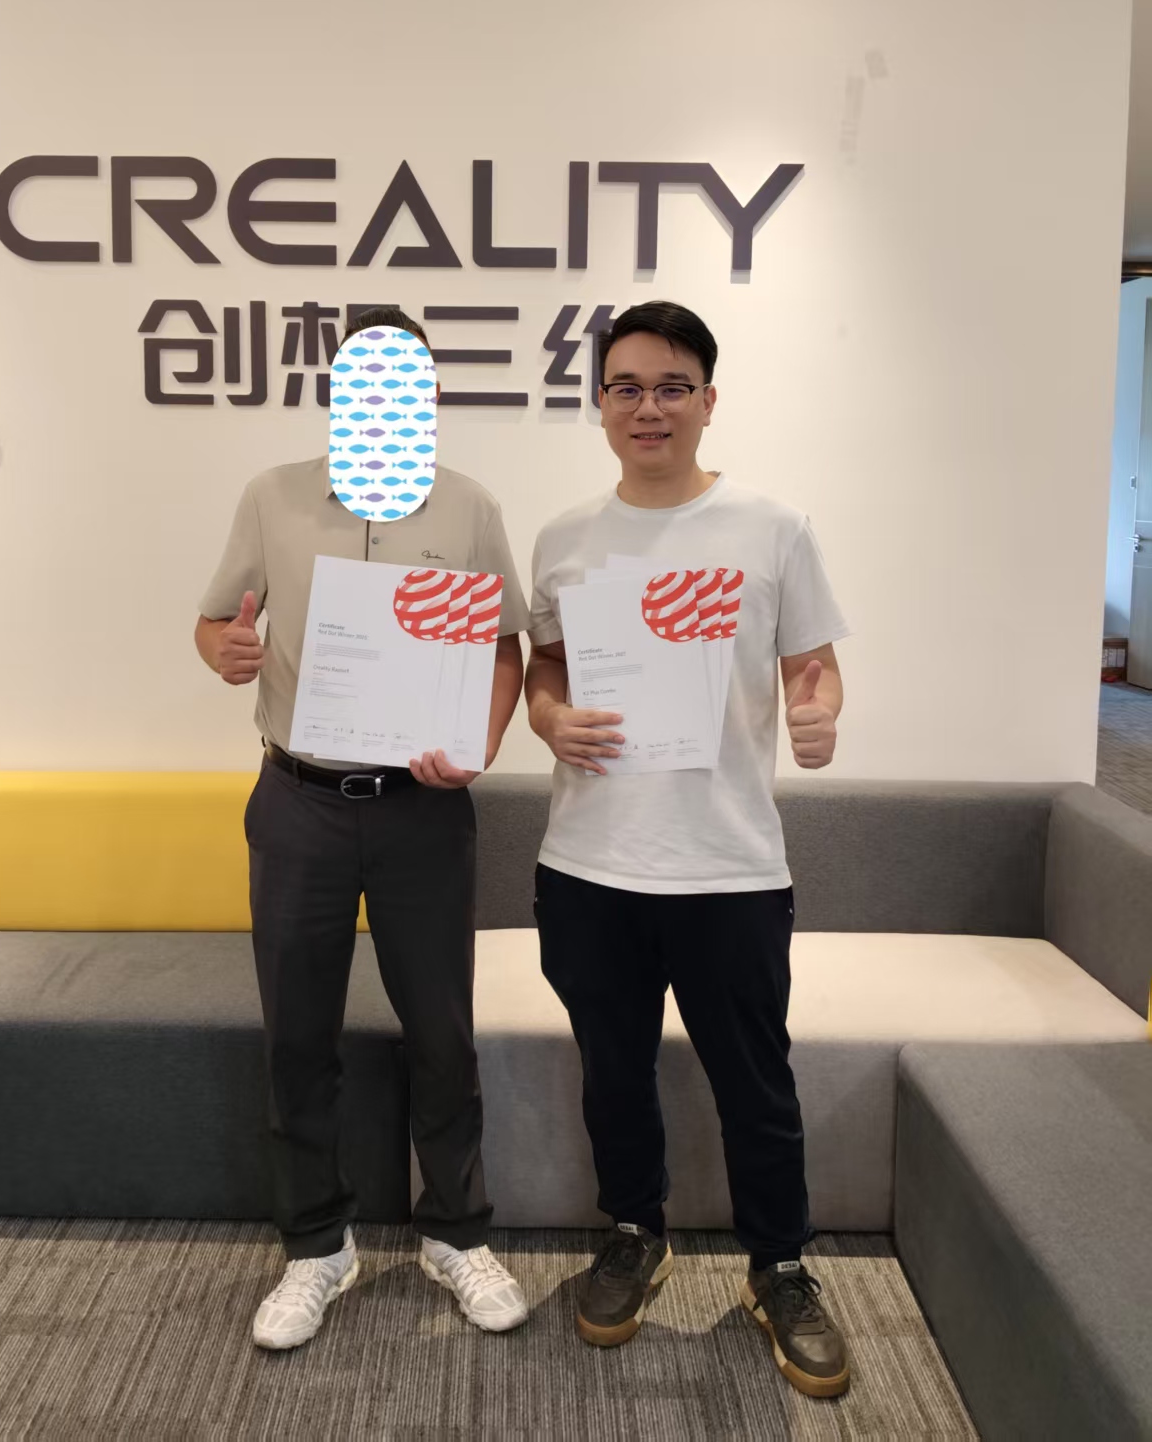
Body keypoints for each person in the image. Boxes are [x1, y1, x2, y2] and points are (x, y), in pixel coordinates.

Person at [524, 299, 852, 1398]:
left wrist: (818, 715)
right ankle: (634, 1231)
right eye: (626, 386)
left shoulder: (773, 528)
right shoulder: (564, 539)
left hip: (729, 867)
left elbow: (813, 665)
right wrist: (547, 716)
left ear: (708, 401)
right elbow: (545, 664)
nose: (648, 406)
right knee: (613, 1072)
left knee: (755, 1084)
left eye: (672, 386)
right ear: (599, 404)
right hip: (589, 865)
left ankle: (780, 1266)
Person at [196, 307, 530, 1350]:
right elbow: (215, 621)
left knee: (441, 1031)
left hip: (422, 809)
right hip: (297, 800)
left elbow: (506, 646)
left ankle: (455, 1234)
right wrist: (225, 651)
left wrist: (476, 742)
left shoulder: (468, 505)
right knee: (298, 1033)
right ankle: (316, 1246)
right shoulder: (273, 497)